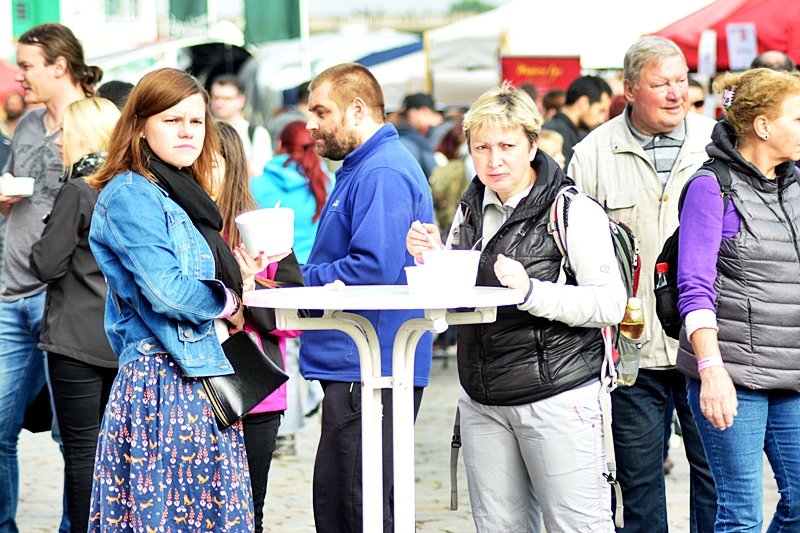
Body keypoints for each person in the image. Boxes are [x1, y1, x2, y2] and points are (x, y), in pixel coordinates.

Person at [406, 82, 626, 532]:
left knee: (577, 525)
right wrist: (435, 260)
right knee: (497, 527)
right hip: (482, 397)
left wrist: (532, 291)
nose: (493, 159)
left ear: (533, 144)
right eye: (481, 146)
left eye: (506, 145)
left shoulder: (571, 210)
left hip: (558, 395)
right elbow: (458, 301)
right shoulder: (470, 209)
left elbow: (609, 303)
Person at [85, 67, 277, 530]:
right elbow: (169, 292)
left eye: (196, 120)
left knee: (202, 516)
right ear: (140, 124)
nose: (188, 131)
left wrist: (240, 278)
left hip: (201, 376)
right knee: (167, 518)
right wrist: (227, 300)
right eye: (172, 120)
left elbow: (192, 285)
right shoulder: (132, 193)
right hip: (163, 380)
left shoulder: (178, 193)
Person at [568, 35, 718, 532]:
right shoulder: (591, 155)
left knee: (716, 478)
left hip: (705, 347)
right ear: (630, 89)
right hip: (630, 351)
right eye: (662, 84)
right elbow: (571, 255)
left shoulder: (717, 144)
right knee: (639, 483)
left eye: (682, 82)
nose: (676, 94)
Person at [300, 62, 434, 533]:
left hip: (371, 364)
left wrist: (299, 278)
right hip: (362, 361)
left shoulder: (382, 171)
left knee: (354, 508)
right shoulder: (366, 167)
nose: (311, 124)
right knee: (352, 503)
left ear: (357, 110)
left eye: (321, 111)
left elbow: (373, 269)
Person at [677, 67, 800, 532]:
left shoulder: (794, 184)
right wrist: (711, 372)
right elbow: (694, 286)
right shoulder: (712, 187)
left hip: (791, 372)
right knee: (740, 512)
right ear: (763, 126)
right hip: (734, 374)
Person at [0, 23, 100, 533]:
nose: (20, 77)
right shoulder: (29, 125)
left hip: (63, 298)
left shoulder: (100, 123)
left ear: (60, 65)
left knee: (75, 437)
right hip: (9, 291)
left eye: (27, 66)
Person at [28, 97, 118, 533]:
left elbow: (46, 263)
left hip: (76, 341)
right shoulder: (132, 187)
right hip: (125, 340)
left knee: (84, 453)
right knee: (121, 452)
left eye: (65, 133)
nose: (60, 143)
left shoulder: (79, 190)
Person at [213, 119, 304, 533]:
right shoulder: (172, 224)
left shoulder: (264, 230)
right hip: (189, 388)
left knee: (248, 511)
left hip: (253, 391)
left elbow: (292, 320)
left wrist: (245, 299)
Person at [250, 120, 332, 457]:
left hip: (275, 278)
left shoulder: (260, 183)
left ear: (279, 144)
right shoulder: (326, 179)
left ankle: (284, 428)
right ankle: (310, 403)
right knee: (311, 349)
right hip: (317, 278)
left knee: (285, 354)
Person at [543, 75, 612, 167]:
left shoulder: (567, 131)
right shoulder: (556, 134)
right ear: (583, 102)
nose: (602, 119)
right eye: (600, 110)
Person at [210, 74, 273, 177]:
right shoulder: (203, 131)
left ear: (241, 100)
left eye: (227, 98)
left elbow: (261, 174)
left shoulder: (256, 133)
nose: (220, 103)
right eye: (216, 98)